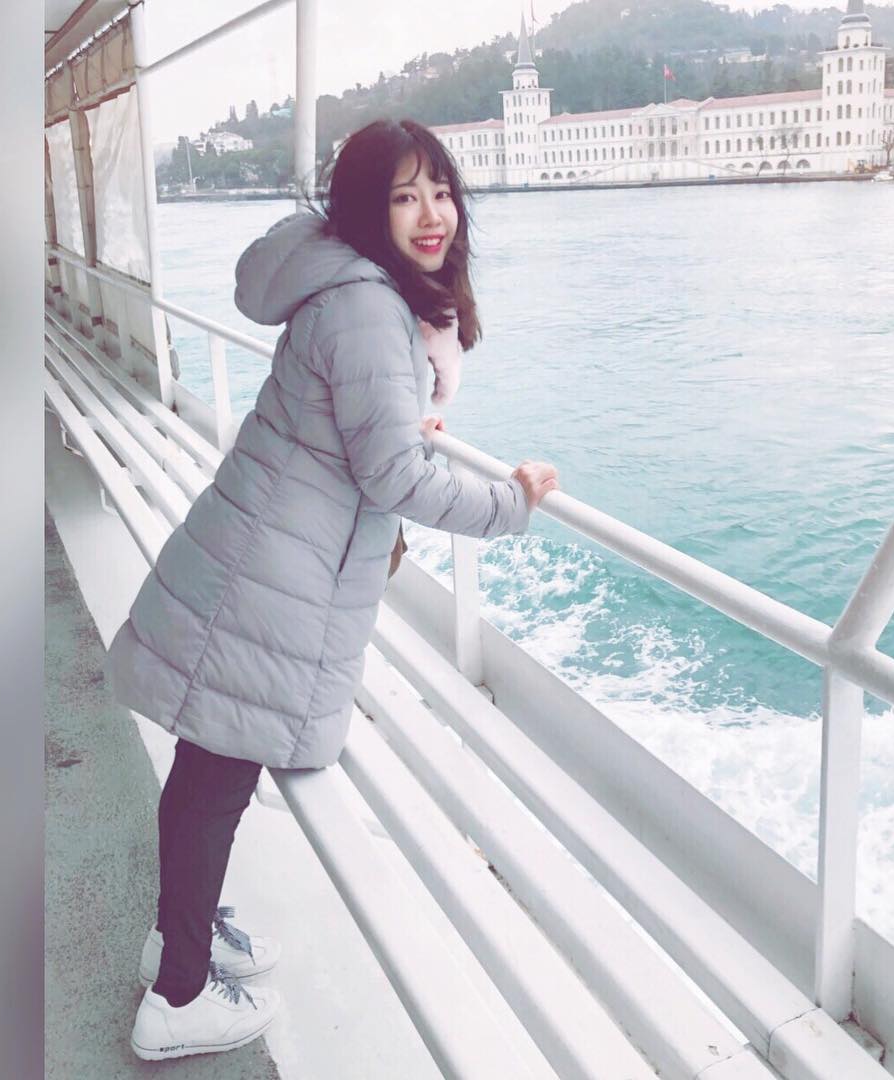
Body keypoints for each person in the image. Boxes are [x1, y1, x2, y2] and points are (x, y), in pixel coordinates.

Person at [106, 117, 559, 1061]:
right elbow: (394, 477)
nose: (432, 214)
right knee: (214, 781)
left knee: (205, 775)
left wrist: (402, 420)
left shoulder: (347, 286)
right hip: (269, 583)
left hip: (257, 559)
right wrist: (510, 503)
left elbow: (359, 429)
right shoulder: (368, 311)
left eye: (440, 190)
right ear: (365, 209)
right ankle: (179, 997)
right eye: (404, 196)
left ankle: (176, 940)